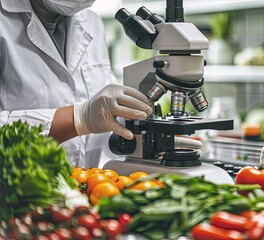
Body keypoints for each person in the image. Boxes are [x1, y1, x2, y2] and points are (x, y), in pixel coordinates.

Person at [0, 0, 154, 168]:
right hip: (17, 189)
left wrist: (152, 133)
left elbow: (104, 110)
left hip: (91, 185)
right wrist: (78, 118)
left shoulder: (91, 21)